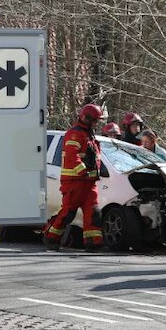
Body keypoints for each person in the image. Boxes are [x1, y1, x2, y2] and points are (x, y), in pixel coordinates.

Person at [45, 104, 106, 250]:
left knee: (93, 212)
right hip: (75, 182)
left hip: (89, 183)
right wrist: (82, 171)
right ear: (87, 118)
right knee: (68, 213)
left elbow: (95, 158)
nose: (96, 124)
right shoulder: (75, 134)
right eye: (95, 121)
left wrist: (98, 171)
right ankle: (51, 237)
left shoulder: (90, 136)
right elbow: (73, 155)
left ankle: (93, 242)